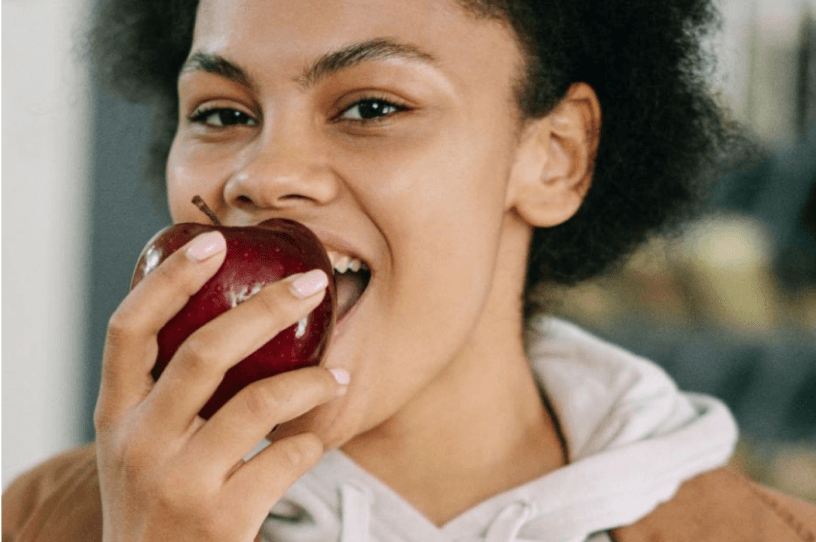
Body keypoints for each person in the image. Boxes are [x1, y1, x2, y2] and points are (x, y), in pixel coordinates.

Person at [2, 0, 815, 540]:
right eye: (222, 113)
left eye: (372, 107)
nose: (259, 173)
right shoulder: (45, 520)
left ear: (555, 156)